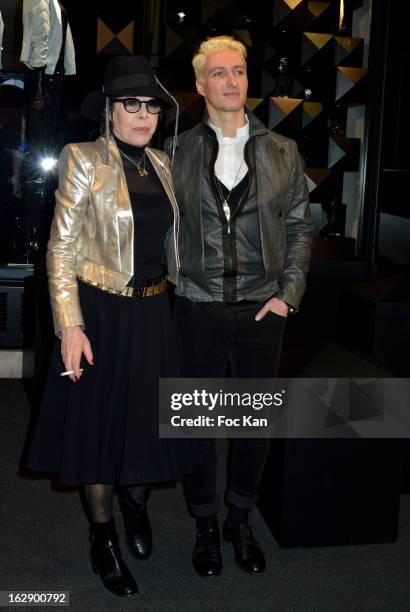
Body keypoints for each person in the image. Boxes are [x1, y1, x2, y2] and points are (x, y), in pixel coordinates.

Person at [25, 55, 196, 598]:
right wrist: (69, 326)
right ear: (110, 112)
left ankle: (136, 503)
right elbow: (61, 249)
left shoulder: (163, 164)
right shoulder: (82, 159)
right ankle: (104, 539)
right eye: (131, 104)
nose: (143, 115)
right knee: (98, 432)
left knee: (147, 422)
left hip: (153, 314)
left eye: (151, 106)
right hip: (99, 313)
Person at [165, 36, 314, 577]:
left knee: (253, 427)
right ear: (201, 85)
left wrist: (287, 295)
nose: (232, 81)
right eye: (220, 73)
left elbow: (300, 228)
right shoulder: (175, 149)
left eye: (240, 71)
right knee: (197, 425)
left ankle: (239, 521)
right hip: (197, 309)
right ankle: (205, 524)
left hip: (261, 311)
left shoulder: (283, 151)